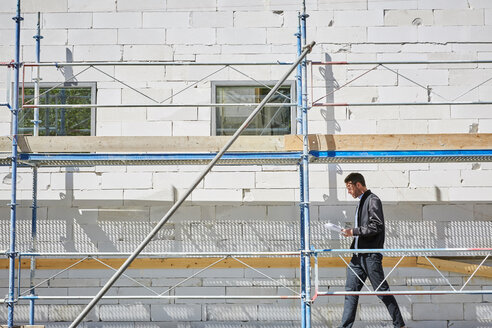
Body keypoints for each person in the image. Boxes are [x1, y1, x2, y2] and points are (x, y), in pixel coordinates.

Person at [339, 173, 406, 328]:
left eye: (349, 188)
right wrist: (350, 233)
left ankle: (399, 325)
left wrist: (353, 231)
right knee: (350, 292)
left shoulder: (372, 200)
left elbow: (376, 226)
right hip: (357, 257)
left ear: (358, 185)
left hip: (370, 256)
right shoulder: (362, 202)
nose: (348, 191)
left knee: (381, 291)